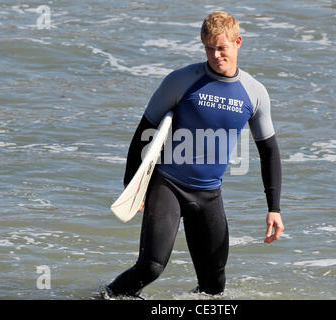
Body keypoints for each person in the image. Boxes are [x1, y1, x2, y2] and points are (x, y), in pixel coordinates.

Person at [105, 11, 284, 298]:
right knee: (151, 267)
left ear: (238, 43)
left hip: (209, 194)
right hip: (168, 186)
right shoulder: (181, 81)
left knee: (214, 286)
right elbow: (144, 132)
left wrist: (273, 208)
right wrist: (133, 187)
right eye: (209, 48)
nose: (216, 55)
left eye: (222, 48)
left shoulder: (254, 93)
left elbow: (269, 151)